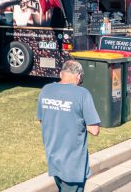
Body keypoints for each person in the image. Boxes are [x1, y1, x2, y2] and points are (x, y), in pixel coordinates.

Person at [37, 60, 101, 192]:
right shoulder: (82, 94)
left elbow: (43, 120)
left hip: (53, 158)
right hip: (73, 164)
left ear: (61, 74)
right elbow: (94, 129)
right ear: (78, 76)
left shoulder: (46, 90)